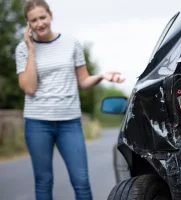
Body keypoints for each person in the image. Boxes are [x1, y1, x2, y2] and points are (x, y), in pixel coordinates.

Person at [15, 0, 125, 199]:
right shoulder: (22, 50)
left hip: (69, 122)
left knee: (81, 180)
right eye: (34, 20)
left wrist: (101, 76)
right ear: (28, 23)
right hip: (37, 122)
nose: (39, 23)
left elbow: (83, 81)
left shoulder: (71, 42)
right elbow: (29, 88)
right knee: (43, 182)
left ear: (51, 15)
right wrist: (31, 50)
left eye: (42, 17)